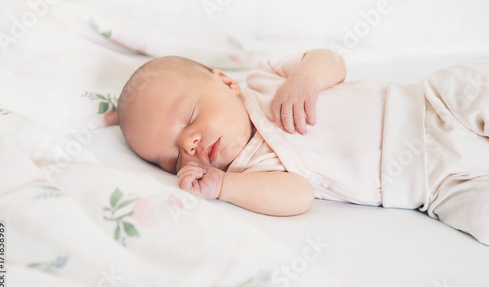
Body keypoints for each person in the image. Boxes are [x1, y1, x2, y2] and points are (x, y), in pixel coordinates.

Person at [117, 49, 489, 245]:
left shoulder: (266, 78)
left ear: (226, 82)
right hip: (435, 184)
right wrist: (224, 187)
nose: (189, 144)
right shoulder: (251, 172)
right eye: (173, 158)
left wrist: (306, 79)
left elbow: (331, 60)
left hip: (433, 105)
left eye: (189, 116)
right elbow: (299, 195)